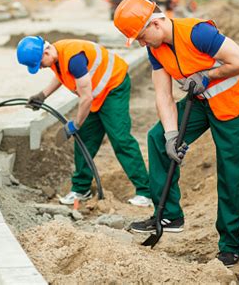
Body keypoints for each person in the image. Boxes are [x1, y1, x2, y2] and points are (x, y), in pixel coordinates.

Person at [113, 0, 239, 267]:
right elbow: (163, 95)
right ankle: (169, 215)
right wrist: (171, 135)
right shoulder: (155, 49)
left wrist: (206, 77)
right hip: (201, 102)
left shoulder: (198, 33)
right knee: (157, 138)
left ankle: (231, 244)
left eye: (142, 36)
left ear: (155, 23)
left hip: (233, 102)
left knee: (231, 170)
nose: (142, 43)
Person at [16, 36, 152, 207]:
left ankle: (145, 192)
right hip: (95, 92)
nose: (41, 67)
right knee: (84, 140)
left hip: (113, 88)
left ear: (46, 51)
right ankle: (81, 189)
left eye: (40, 63)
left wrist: (76, 124)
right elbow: (62, 75)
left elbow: (86, 98)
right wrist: (43, 95)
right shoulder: (57, 55)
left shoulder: (74, 59)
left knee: (120, 139)